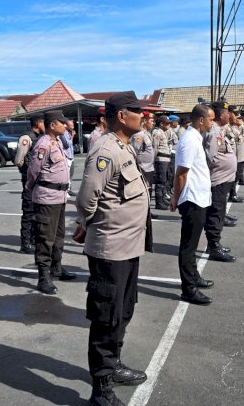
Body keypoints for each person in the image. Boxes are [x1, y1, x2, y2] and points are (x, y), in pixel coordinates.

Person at [75, 92, 149, 406]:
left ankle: (114, 364)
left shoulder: (124, 147)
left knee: (124, 310)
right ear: (121, 115)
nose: (143, 116)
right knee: (106, 318)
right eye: (137, 111)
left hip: (129, 246)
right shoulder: (105, 150)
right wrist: (85, 223)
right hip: (110, 248)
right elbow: (87, 198)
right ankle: (101, 389)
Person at [26, 111, 76, 295]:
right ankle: (43, 277)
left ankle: (57, 268)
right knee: (45, 238)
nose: (66, 125)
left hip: (60, 197)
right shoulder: (44, 144)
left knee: (59, 236)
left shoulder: (57, 142)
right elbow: (33, 172)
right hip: (47, 197)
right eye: (63, 123)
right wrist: (33, 190)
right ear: (53, 125)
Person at [170, 104, 215, 306]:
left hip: (200, 198)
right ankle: (188, 288)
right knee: (188, 246)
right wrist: (175, 197)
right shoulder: (189, 140)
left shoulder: (196, 137)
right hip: (191, 199)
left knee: (194, 243)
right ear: (200, 120)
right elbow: (181, 173)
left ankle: (194, 276)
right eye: (210, 119)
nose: (212, 123)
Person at [202, 103, 237, 262]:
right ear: (219, 115)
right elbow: (209, 157)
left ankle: (214, 243)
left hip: (223, 178)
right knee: (215, 212)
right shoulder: (214, 131)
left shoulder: (218, 130)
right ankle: (214, 246)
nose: (229, 115)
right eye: (226, 113)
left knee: (219, 210)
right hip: (217, 179)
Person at [14, 115, 45, 253]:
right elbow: (19, 159)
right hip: (28, 179)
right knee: (28, 211)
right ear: (38, 123)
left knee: (36, 210)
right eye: (44, 123)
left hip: (37, 180)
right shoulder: (27, 138)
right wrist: (26, 170)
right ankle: (25, 242)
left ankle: (33, 238)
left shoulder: (38, 137)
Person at [151, 116, 172, 210]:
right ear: (161, 124)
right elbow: (155, 147)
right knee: (160, 181)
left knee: (165, 180)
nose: (169, 124)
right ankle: (159, 202)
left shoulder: (163, 132)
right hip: (160, 159)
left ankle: (163, 199)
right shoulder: (157, 132)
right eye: (167, 123)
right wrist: (153, 160)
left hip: (165, 159)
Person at [226, 108, 244, 205]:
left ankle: (233, 194)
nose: (237, 117)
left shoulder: (235, 126)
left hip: (237, 156)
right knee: (232, 177)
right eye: (235, 114)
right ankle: (232, 194)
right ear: (229, 114)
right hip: (231, 157)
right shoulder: (227, 127)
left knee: (236, 175)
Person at [60, 118, 77, 196]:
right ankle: (65, 190)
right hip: (67, 156)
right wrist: (72, 136)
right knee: (67, 174)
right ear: (66, 125)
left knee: (71, 174)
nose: (73, 126)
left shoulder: (68, 133)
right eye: (71, 124)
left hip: (71, 156)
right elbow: (66, 144)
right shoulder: (63, 133)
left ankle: (69, 189)